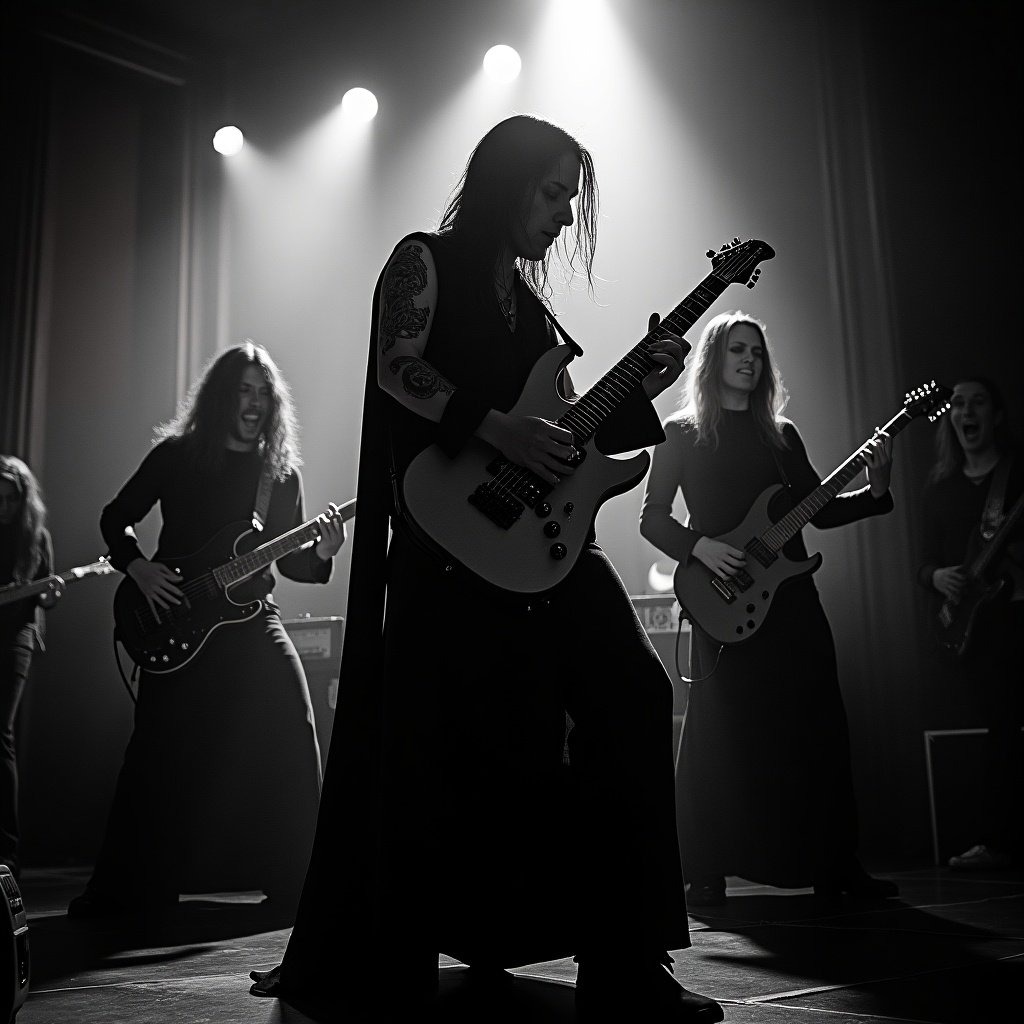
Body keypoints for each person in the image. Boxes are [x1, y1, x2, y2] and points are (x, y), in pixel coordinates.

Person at [250, 115, 723, 1022]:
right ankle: (426, 954)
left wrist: (647, 388)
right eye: (552, 194)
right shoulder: (423, 261)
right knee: (457, 753)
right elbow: (396, 368)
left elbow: (568, 446)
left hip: (543, 552)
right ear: (507, 181)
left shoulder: (537, 314)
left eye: (570, 202)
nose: (560, 216)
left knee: (633, 690)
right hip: (448, 547)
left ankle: (627, 963)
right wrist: (500, 428)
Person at [67, 342, 346, 918]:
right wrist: (138, 567)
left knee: (295, 728)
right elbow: (114, 518)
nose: (254, 403)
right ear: (221, 397)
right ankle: (127, 890)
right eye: (243, 390)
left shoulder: (281, 475)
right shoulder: (178, 456)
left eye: (263, 393)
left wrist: (325, 550)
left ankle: (302, 884)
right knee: (156, 751)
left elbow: (293, 565)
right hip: (176, 617)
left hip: (250, 620)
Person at [640, 311, 899, 905]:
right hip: (721, 599)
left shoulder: (781, 435)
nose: (749, 360)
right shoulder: (680, 434)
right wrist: (699, 546)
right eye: (737, 350)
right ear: (713, 359)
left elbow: (819, 509)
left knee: (819, 726)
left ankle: (835, 865)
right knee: (719, 733)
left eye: (757, 351)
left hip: (790, 601)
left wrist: (875, 494)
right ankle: (704, 867)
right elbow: (651, 518)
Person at [918, 376, 1022, 870]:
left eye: (978, 401)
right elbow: (922, 564)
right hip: (975, 629)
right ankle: (998, 841)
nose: (965, 411)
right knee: (1001, 727)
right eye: (958, 403)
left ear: (996, 415)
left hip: (1017, 609)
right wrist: (936, 576)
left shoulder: (1014, 477)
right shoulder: (940, 490)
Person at [0, 456, 56, 880]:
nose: (3, 506)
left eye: (10, 498)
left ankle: (8, 855)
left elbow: (46, 596)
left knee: (0, 733)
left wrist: (49, 593)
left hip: (15, 636)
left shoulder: (35, 537)